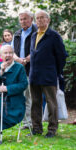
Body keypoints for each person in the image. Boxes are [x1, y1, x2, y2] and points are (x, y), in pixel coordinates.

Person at [29, 10, 67, 138]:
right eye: (37, 18)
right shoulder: (34, 35)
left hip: (49, 75)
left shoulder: (54, 35)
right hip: (34, 75)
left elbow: (62, 56)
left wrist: (56, 71)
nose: (39, 20)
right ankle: (36, 128)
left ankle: (52, 129)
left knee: (51, 103)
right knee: (35, 102)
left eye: (42, 18)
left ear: (48, 20)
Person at [11, 10, 37, 129]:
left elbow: (39, 49)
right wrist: (17, 59)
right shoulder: (17, 33)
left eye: (25, 19)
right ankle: (26, 122)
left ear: (31, 19)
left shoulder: (37, 32)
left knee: (31, 97)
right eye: (21, 19)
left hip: (33, 69)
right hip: (19, 68)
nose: (23, 21)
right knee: (23, 96)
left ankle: (32, 123)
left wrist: (27, 59)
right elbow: (12, 51)